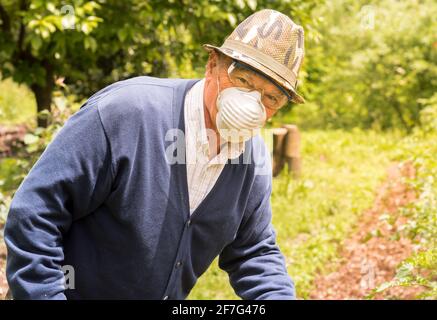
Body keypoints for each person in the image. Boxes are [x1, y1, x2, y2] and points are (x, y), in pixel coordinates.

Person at [4, 9, 305, 300]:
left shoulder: (252, 161)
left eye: (271, 98)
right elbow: (34, 214)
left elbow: (253, 250)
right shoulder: (125, 114)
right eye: (242, 81)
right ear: (212, 64)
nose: (252, 105)